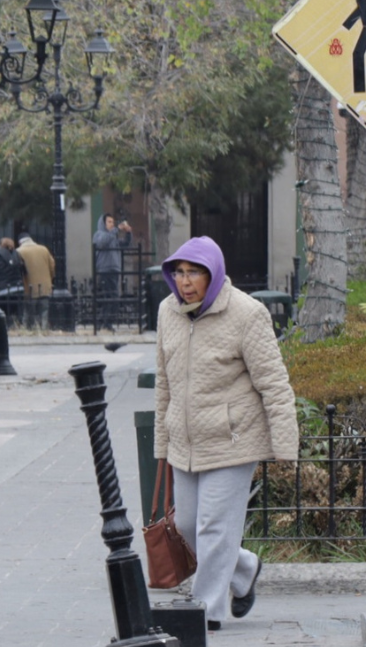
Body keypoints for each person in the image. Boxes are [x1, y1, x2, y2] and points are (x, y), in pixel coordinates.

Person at [153, 236, 298, 632]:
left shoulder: (247, 314)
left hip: (234, 440)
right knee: (186, 526)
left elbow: (274, 383)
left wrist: (286, 443)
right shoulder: (168, 311)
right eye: (179, 273)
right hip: (185, 442)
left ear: (213, 273)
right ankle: (245, 568)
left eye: (194, 273)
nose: (185, 282)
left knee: (213, 526)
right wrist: (162, 444)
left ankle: (206, 610)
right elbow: (164, 384)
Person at [92, 214, 132, 330]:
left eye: (113, 222)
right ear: (103, 224)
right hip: (105, 270)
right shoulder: (99, 235)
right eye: (109, 222)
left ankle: (105, 322)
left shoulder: (112, 236)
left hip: (114, 270)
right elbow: (102, 243)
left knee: (112, 297)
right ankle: (104, 322)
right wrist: (116, 230)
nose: (112, 224)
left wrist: (128, 233)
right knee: (109, 297)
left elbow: (125, 244)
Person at [16, 233, 54, 330]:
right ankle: (44, 329)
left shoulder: (19, 251)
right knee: (44, 311)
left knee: (29, 312)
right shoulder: (44, 249)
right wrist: (50, 278)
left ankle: (29, 329)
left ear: (20, 242)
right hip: (45, 286)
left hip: (29, 287)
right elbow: (52, 265)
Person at [0, 237, 25, 318]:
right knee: (17, 312)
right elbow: (24, 270)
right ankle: (16, 326)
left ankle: (6, 326)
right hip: (18, 288)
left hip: (3, 288)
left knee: (4, 312)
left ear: (1, 245)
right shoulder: (17, 254)